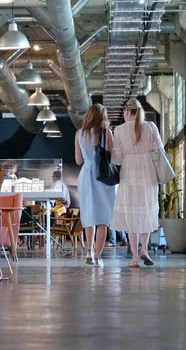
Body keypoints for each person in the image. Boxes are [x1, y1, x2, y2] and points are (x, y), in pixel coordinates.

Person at [110, 98, 162, 268]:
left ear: (126, 111)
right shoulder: (151, 127)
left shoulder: (119, 130)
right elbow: (159, 150)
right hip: (148, 172)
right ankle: (144, 249)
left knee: (131, 214)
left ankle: (134, 257)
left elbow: (117, 158)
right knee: (146, 210)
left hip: (129, 172)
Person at [75, 104, 116, 268]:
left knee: (89, 216)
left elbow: (78, 161)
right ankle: (98, 257)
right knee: (103, 219)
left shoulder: (79, 133)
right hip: (104, 176)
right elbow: (112, 157)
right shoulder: (107, 132)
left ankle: (89, 252)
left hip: (86, 175)